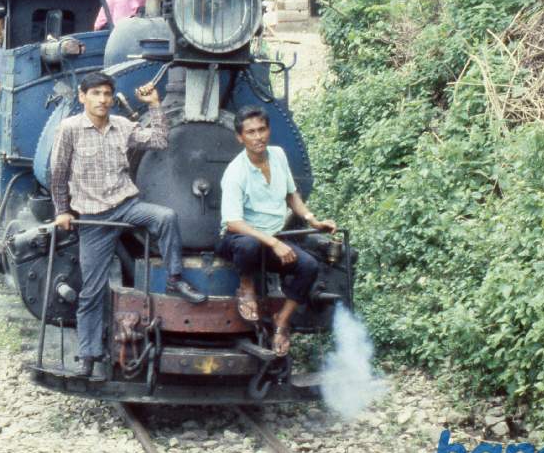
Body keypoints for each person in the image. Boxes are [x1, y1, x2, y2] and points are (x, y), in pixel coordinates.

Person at [50, 71, 206, 380]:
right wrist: (62, 211)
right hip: (93, 217)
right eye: (95, 93)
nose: (103, 99)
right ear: (83, 97)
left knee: (166, 217)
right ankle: (88, 355)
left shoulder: (122, 126)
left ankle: (174, 278)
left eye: (107, 94)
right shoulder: (69, 129)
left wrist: (155, 105)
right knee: (91, 291)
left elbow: (160, 140)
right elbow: (58, 173)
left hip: (126, 206)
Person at [218, 105, 337, 356]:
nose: (258, 136)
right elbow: (233, 223)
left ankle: (282, 321)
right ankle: (246, 287)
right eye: (250, 132)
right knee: (248, 245)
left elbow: (291, 194)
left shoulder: (279, 155)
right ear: (240, 137)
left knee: (309, 266)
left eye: (262, 129)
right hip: (238, 239)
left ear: (269, 130)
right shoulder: (235, 172)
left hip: (273, 237)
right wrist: (273, 243)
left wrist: (311, 219)